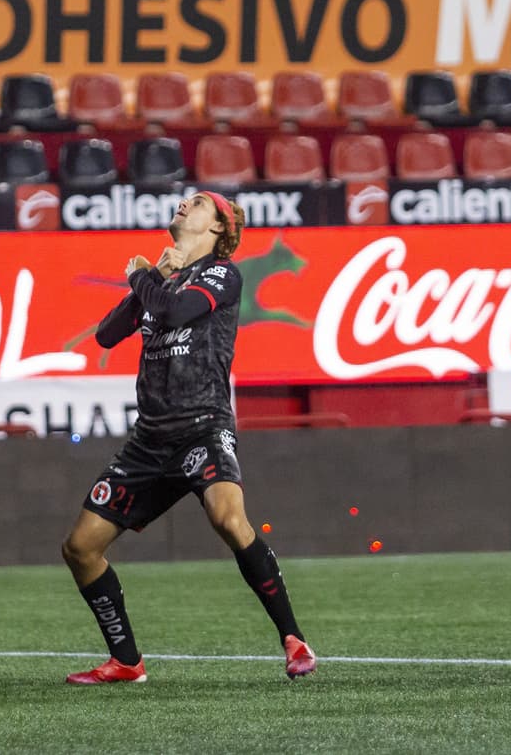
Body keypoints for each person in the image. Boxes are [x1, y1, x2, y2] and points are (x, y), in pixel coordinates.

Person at [60, 191, 316, 684]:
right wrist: (150, 278)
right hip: (149, 441)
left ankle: (293, 638)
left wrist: (141, 274)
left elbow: (177, 314)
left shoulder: (223, 273)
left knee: (227, 517)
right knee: (79, 547)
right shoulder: (164, 282)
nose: (184, 204)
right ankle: (126, 662)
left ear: (219, 228)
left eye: (198, 203)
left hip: (203, 426)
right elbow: (107, 335)